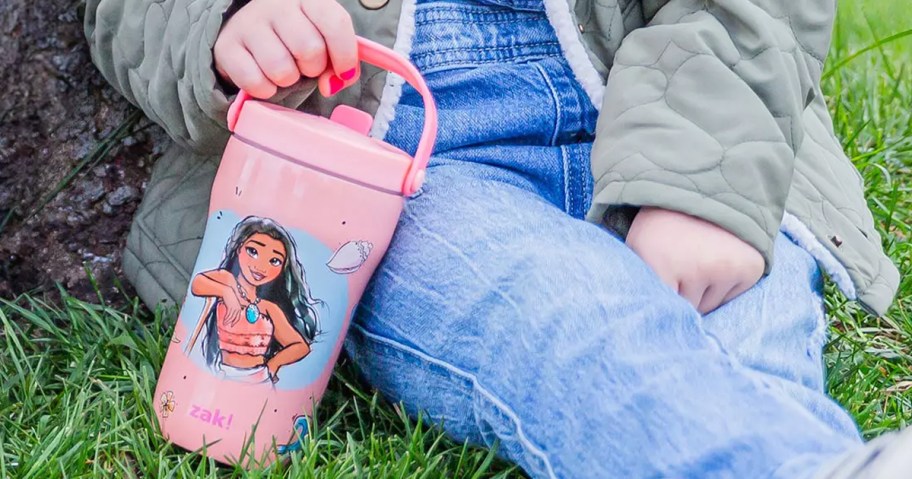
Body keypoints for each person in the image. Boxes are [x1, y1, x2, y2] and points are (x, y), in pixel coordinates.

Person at [84, 0, 907, 476]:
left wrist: (699, 182)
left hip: (684, 114)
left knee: (750, 316)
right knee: (552, 313)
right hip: (397, 161)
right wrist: (226, 20)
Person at [185, 215, 321, 384]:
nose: (261, 267)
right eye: (253, 251)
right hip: (221, 372)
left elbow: (300, 346)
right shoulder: (226, 280)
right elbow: (197, 284)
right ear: (239, 248)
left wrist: (273, 365)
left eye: (274, 261)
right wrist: (227, 293)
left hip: (258, 377)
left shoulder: (268, 308)